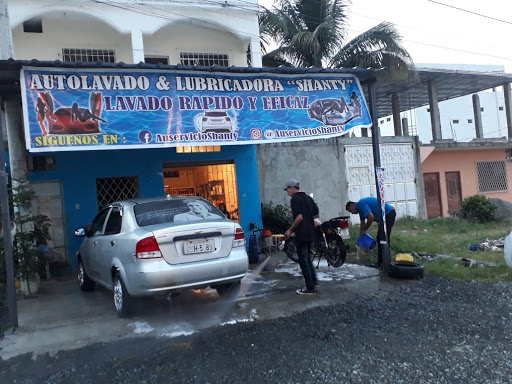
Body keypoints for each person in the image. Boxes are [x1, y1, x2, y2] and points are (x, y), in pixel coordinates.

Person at [283, 179, 319, 295]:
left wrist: (290, 229)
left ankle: (310, 288)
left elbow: (299, 218)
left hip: (302, 233)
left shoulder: (295, 199)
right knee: (307, 257)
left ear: (293, 188)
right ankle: (313, 280)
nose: (287, 192)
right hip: (311, 232)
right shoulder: (308, 198)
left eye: (288, 189)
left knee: (303, 260)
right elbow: (316, 214)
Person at [345, 197, 396, 268]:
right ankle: (381, 263)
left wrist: (364, 230)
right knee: (380, 238)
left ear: (353, 205)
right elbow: (362, 223)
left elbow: (371, 218)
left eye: (351, 211)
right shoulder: (360, 210)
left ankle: (385, 263)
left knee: (383, 239)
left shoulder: (361, 204)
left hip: (388, 214)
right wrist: (361, 234)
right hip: (383, 217)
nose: (352, 213)